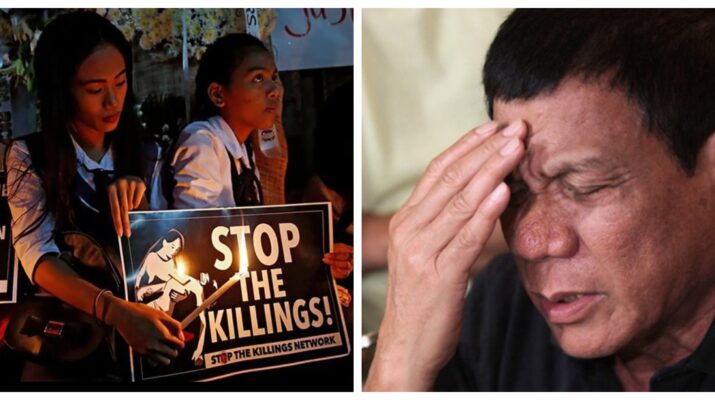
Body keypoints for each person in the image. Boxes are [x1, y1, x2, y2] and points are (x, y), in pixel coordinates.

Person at [366, 10, 715, 391]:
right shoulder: (502, 314)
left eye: (585, 186)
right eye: (513, 190)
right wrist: (401, 360)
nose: (529, 243)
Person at [6, 11, 183, 379]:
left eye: (120, 83)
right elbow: (37, 259)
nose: (112, 101)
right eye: (94, 89)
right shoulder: (30, 157)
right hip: (69, 340)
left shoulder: (147, 153)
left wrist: (144, 209)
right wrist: (115, 312)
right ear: (62, 90)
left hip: (143, 344)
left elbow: (173, 240)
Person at [168, 33, 281, 209]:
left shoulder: (244, 150)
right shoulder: (201, 143)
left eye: (273, 78)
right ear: (218, 94)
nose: (274, 90)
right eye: (258, 78)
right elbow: (197, 229)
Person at [134, 229, 207, 364]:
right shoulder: (152, 257)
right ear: (165, 242)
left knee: (195, 287)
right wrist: (143, 294)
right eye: (173, 247)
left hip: (166, 301)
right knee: (172, 284)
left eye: (177, 249)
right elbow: (138, 283)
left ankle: (199, 347)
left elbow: (180, 280)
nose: (174, 252)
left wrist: (194, 285)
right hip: (149, 298)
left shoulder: (173, 262)